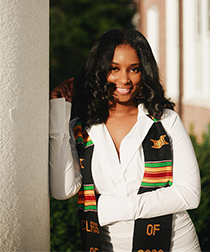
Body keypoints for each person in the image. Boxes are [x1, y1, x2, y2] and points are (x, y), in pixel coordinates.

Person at [49, 29, 201, 252]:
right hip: (110, 246)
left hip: (175, 244)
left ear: (144, 72)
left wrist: (115, 209)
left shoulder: (165, 121)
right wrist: (58, 115)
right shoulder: (80, 129)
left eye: (134, 69)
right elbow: (63, 190)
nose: (124, 79)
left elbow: (190, 193)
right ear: (100, 71)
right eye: (114, 69)